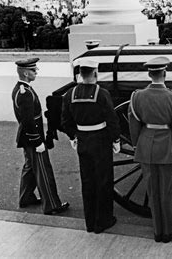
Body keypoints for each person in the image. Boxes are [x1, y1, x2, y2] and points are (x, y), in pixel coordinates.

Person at [128, 56, 172, 243]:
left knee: (153, 191)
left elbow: (134, 125)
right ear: (165, 73)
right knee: (168, 191)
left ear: (149, 73)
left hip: (146, 145)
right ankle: (169, 231)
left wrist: (137, 145)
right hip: (167, 147)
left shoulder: (137, 96)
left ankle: (157, 231)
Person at [61, 58, 120, 234]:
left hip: (83, 141)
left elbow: (65, 121)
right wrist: (116, 140)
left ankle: (90, 222)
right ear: (95, 73)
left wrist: (73, 136)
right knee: (103, 180)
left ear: (80, 74)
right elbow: (112, 119)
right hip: (100, 140)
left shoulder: (69, 94)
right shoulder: (102, 94)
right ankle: (103, 220)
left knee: (87, 181)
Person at [11, 58, 69, 215]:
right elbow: (28, 121)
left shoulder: (22, 89)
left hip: (27, 136)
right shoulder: (25, 93)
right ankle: (52, 205)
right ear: (25, 72)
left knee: (30, 167)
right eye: (33, 70)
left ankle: (26, 197)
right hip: (33, 137)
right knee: (43, 170)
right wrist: (38, 142)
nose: (36, 72)